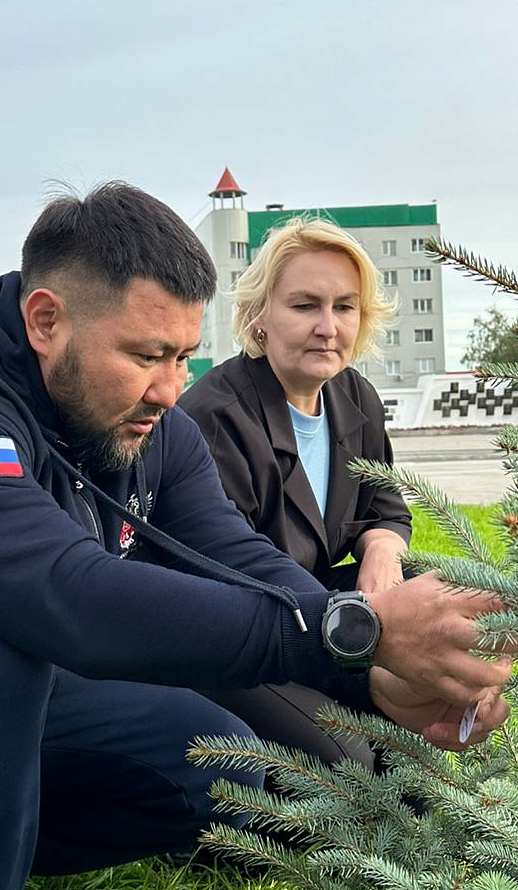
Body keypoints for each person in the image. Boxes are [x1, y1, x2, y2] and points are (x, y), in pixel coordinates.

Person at [0, 183, 515, 890]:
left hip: (2, 680)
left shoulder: (149, 427)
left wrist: (374, 672)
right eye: (146, 355)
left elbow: (236, 564)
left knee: (226, 768)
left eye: (186, 358)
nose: (170, 389)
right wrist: (360, 633)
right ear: (46, 320)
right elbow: (60, 597)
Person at [179, 218, 411, 768]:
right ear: (259, 317)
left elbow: (387, 509)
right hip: (236, 637)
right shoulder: (217, 417)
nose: (327, 327)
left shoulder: (356, 396)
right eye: (305, 306)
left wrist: (380, 548)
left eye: (344, 307)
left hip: (319, 608)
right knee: (344, 758)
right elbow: (227, 573)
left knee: (429, 591)